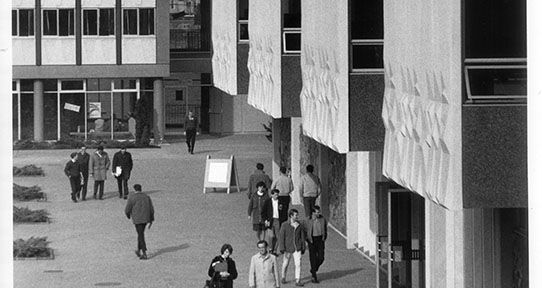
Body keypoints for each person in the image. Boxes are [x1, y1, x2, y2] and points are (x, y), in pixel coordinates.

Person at [125, 184, 154, 260]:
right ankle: (138, 250)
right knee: (140, 233)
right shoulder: (146, 197)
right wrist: (151, 218)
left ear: (135, 189)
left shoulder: (132, 198)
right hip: (145, 218)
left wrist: (128, 215)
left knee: (140, 234)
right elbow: (151, 208)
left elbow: (127, 209)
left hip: (137, 219)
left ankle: (144, 252)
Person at [278, 209, 306, 287]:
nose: (297, 216)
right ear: (291, 216)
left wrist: (303, 246)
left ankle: (298, 279)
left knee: (298, 264)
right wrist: (282, 247)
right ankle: (283, 277)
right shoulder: (285, 225)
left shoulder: (299, 225)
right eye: (295, 215)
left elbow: (302, 237)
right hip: (287, 248)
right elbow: (281, 237)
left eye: (297, 215)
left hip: (297, 247)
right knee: (285, 263)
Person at [305, 205, 327, 283]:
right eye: (317, 212)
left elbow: (325, 228)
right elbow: (304, 230)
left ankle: (314, 268)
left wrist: (324, 237)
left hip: (320, 239)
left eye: (319, 212)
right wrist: (307, 239)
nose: (318, 213)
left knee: (321, 257)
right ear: (313, 212)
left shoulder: (322, 219)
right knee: (313, 258)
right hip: (312, 240)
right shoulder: (308, 220)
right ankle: (314, 276)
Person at [261, 189, 283, 255]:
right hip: (270, 220)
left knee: (278, 236)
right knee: (271, 236)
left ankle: (275, 250)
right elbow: (263, 212)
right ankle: (270, 248)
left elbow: (283, 211)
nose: (277, 196)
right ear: (272, 195)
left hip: (277, 220)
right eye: (275, 195)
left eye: (277, 194)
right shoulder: (268, 202)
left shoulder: (280, 201)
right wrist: (265, 220)